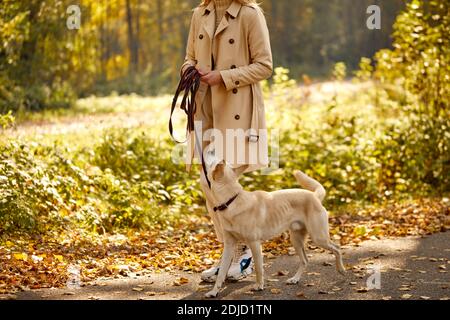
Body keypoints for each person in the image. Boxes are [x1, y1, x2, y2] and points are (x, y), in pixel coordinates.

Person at [180, 0, 273, 282]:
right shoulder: (200, 13)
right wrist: (189, 71)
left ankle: (243, 254)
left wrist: (223, 76)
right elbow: (188, 57)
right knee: (207, 182)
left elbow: (264, 66)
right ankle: (231, 254)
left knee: (222, 182)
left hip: (237, 111)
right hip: (204, 110)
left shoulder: (250, 14)